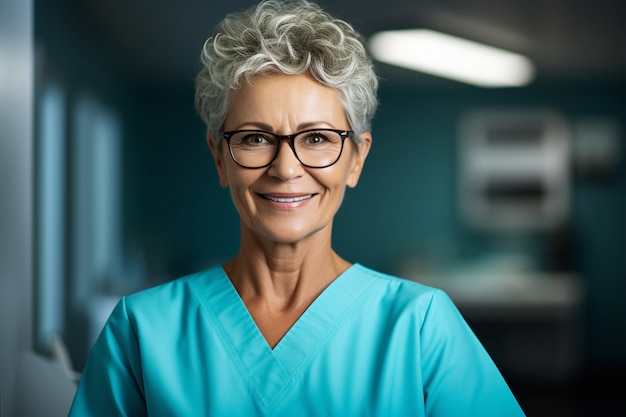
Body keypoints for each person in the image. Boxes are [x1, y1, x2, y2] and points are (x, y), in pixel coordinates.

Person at [69, 1, 525, 416]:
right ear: (219, 157)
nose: (286, 169)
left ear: (356, 159)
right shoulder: (142, 331)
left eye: (318, 138)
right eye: (254, 138)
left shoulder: (420, 327)